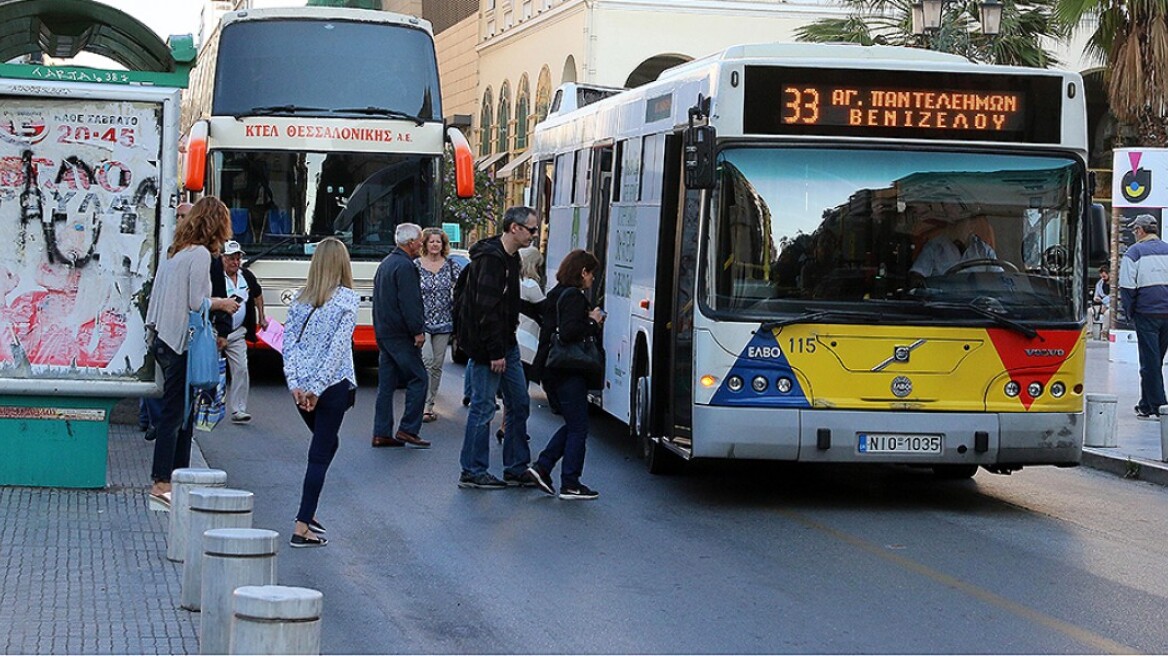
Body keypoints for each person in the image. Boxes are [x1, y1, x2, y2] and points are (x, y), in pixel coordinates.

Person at [144, 197, 239, 510]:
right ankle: (163, 481)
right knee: (178, 415)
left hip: (162, 337)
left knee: (181, 412)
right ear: (216, 224)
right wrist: (223, 304)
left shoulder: (175, 251)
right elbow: (197, 302)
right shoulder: (199, 254)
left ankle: (176, 478)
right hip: (180, 341)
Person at [456, 206, 544, 489]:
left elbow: (506, 306)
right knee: (483, 408)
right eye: (531, 229)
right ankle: (472, 470)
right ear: (514, 228)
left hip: (506, 343)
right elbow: (486, 308)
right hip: (489, 347)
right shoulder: (492, 260)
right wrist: (495, 351)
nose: (535, 234)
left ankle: (516, 467)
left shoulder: (510, 257)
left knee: (519, 403)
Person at [283, 237, 359, 547]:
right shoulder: (347, 301)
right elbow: (337, 351)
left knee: (326, 445)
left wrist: (297, 386)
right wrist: (316, 389)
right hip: (332, 386)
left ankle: (308, 509)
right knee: (320, 453)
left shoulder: (299, 299)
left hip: (303, 391)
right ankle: (302, 525)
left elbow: (289, 346)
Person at [526, 249, 605, 500]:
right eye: (592, 273)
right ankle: (570, 482)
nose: (593, 279)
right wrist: (592, 321)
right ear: (583, 272)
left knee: (574, 424)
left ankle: (543, 466)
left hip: (553, 369)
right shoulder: (574, 297)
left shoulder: (556, 293)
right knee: (579, 428)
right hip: (568, 370)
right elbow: (570, 331)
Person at [371, 223, 431, 448]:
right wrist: (417, 330)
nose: (421, 244)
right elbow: (410, 302)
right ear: (410, 242)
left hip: (384, 332)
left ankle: (381, 432)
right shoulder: (405, 266)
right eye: (419, 240)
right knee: (418, 378)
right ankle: (408, 429)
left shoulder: (386, 263)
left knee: (386, 385)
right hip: (400, 334)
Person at [211, 240, 268, 423]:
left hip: (237, 332)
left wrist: (262, 316)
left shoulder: (246, 276)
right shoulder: (215, 276)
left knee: (241, 369)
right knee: (211, 371)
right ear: (223, 258)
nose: (235, 262)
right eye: (231, 259)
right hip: (215, 331)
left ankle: (239, 409)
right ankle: (209, 406)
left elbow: (258, 294)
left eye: (238, 258)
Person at [1119, 214, 1168, 419]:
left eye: (1134, 230)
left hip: (1146, 313)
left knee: (1150, 361)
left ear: (1140, 230)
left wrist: (1130, 312)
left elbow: (1127, 286)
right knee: (1155, 360)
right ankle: (1146, 404)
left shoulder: (1134, 252)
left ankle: (1159, 405)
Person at [415, 227, 462, 423]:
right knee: (426, 361)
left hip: (444, 322)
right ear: (425, 244)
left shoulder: (450, 265)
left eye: (438, 241)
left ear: (443, 245)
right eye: (431, 241)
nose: (435, 244)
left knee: (437, 365)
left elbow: (462, 285)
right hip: (422, 322)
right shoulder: (416, 265)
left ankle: (429, 406)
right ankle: (421, 404)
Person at [909, 217, 998, 282]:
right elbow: (917, 275)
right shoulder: (934, 247)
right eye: (952, 223)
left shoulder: (984, 251)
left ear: (972, 226)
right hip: (943, 304)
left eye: (959, 222)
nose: (954, 226)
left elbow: (998, 279)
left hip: (976, 304)